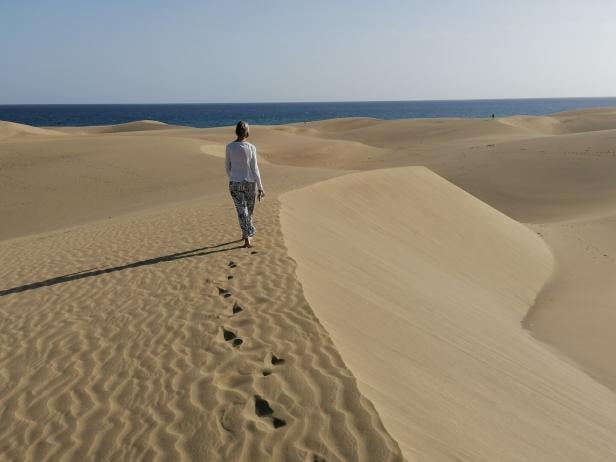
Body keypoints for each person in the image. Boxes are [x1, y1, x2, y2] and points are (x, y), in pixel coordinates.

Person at [225, 121, 265, 248]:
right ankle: (248, 236)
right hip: (249, 183)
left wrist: (233, 177)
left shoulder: (230, 147)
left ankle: (245, 233)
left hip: (235, 183)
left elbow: (227, 167)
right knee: (248, 211)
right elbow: (255, 169)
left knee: (242, 211)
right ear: (247, 132)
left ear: (236, 132)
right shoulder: (251, 147)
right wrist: (260, 187)